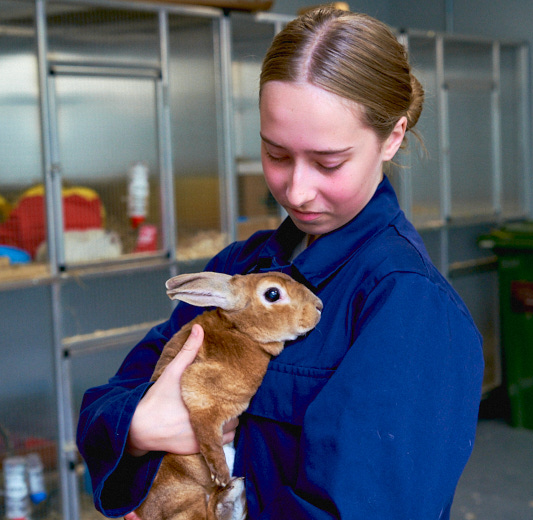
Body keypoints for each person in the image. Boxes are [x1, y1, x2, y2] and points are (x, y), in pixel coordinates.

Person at [77, 6, 484, 519]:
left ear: (393, 137)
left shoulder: (408, 306)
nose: (296, 189)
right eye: (276, 154)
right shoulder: (243, 269)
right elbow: (102, 406)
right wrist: (138, 427)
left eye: (327, 162)